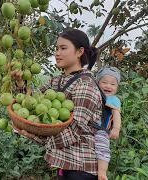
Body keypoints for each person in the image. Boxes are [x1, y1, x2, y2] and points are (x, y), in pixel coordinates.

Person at [11, 29, 105, 180]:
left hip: (81, 168)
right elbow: (30, 102)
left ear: (80, 52)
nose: (57, 53)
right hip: (65, 165)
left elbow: (75, 131)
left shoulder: (86, 85)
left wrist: (36, 137)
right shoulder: (58, 81)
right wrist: (20, 82)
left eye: (63, 48)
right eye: (56, 48)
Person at [94, 66, 122, 180]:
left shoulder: (113, 99)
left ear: (117, 87)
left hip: (101, 130)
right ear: (98, 83)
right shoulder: (94, 94)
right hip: (87, 128)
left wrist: (116, 128)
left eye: (112, 84)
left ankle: (102, 172)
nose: (108, 86)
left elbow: (116, 114)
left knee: (102, 149)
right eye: (104, 82)